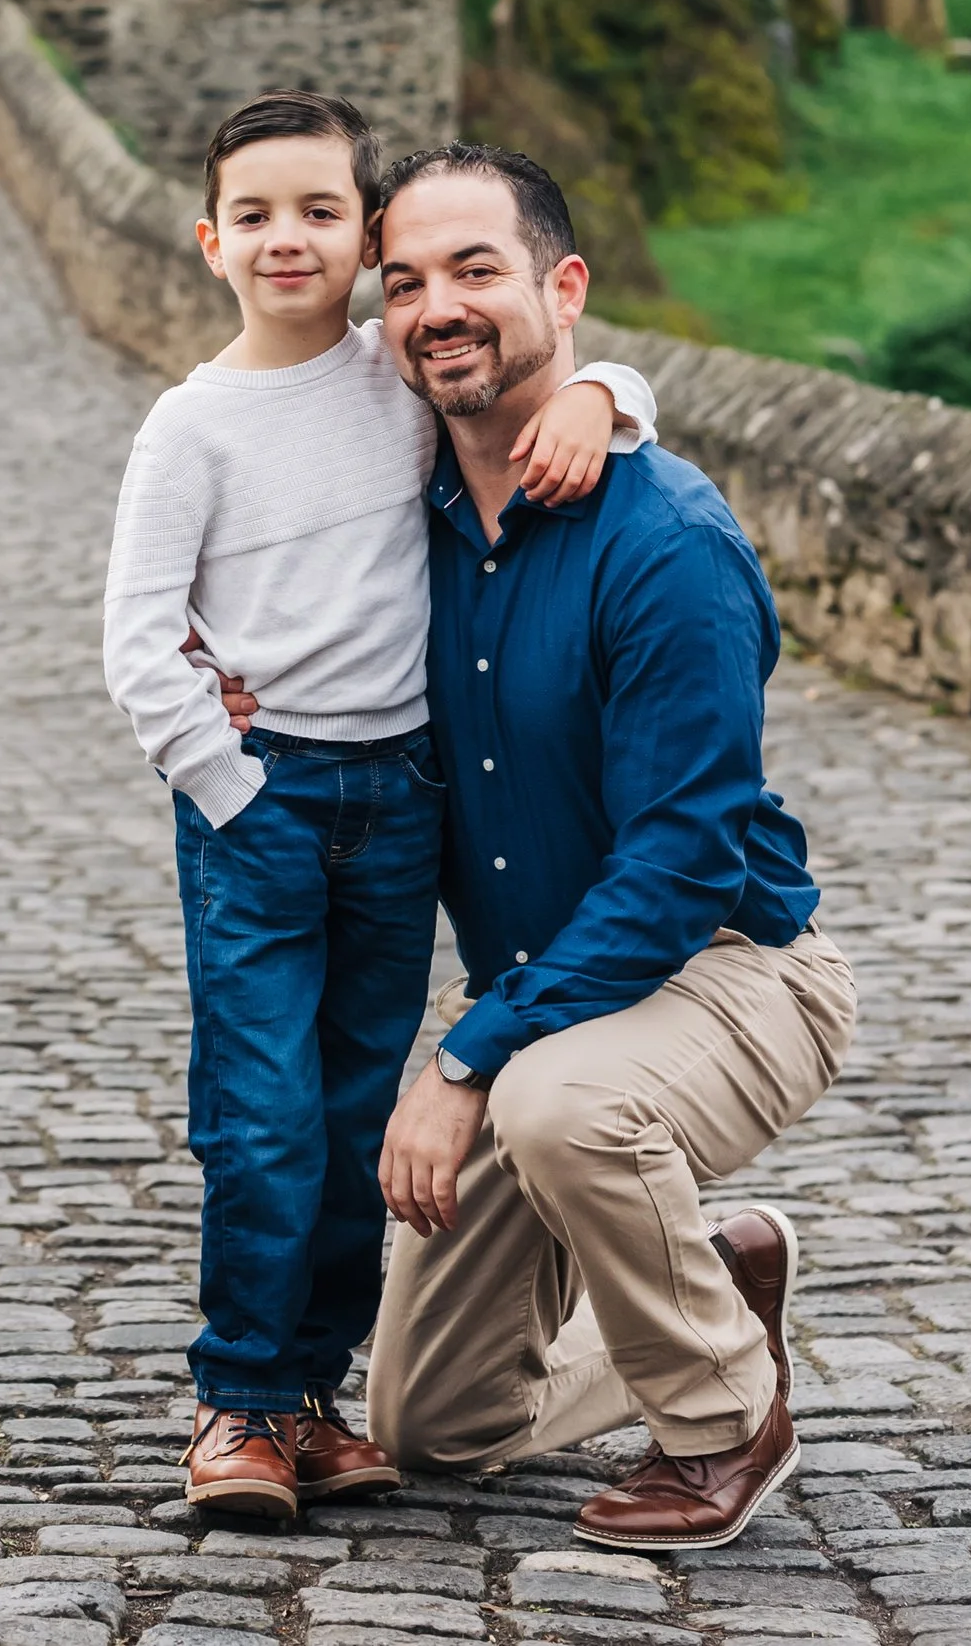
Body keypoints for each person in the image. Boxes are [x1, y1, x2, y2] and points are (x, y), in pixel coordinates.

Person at [216, 139, 857, 1555]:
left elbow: (685, 862)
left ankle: (723, 1422)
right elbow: (252, 472)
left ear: (565, 287)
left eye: (477, 270)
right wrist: (222, 659)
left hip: (729, 967)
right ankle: (718, 1280)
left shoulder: (668, 540)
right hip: (549, 998)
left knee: (564, 1108)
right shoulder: (403, 529)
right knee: (435, 1418)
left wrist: (460, 1058)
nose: (439, 304)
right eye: (408, 281)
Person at [102, 91, 660, 1528]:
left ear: (364, 242)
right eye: (257, 214)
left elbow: (564, 383)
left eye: (322, 211)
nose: (288, 237)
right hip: (264, 800)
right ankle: (237, 1394)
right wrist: (234, 786)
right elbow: (136, 640)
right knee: (263, 1113)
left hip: (399, 795)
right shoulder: (191, 426)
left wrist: (605, 396)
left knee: (357, 1114)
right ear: (208, 237)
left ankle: (312, 1394)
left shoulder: (391, 375)